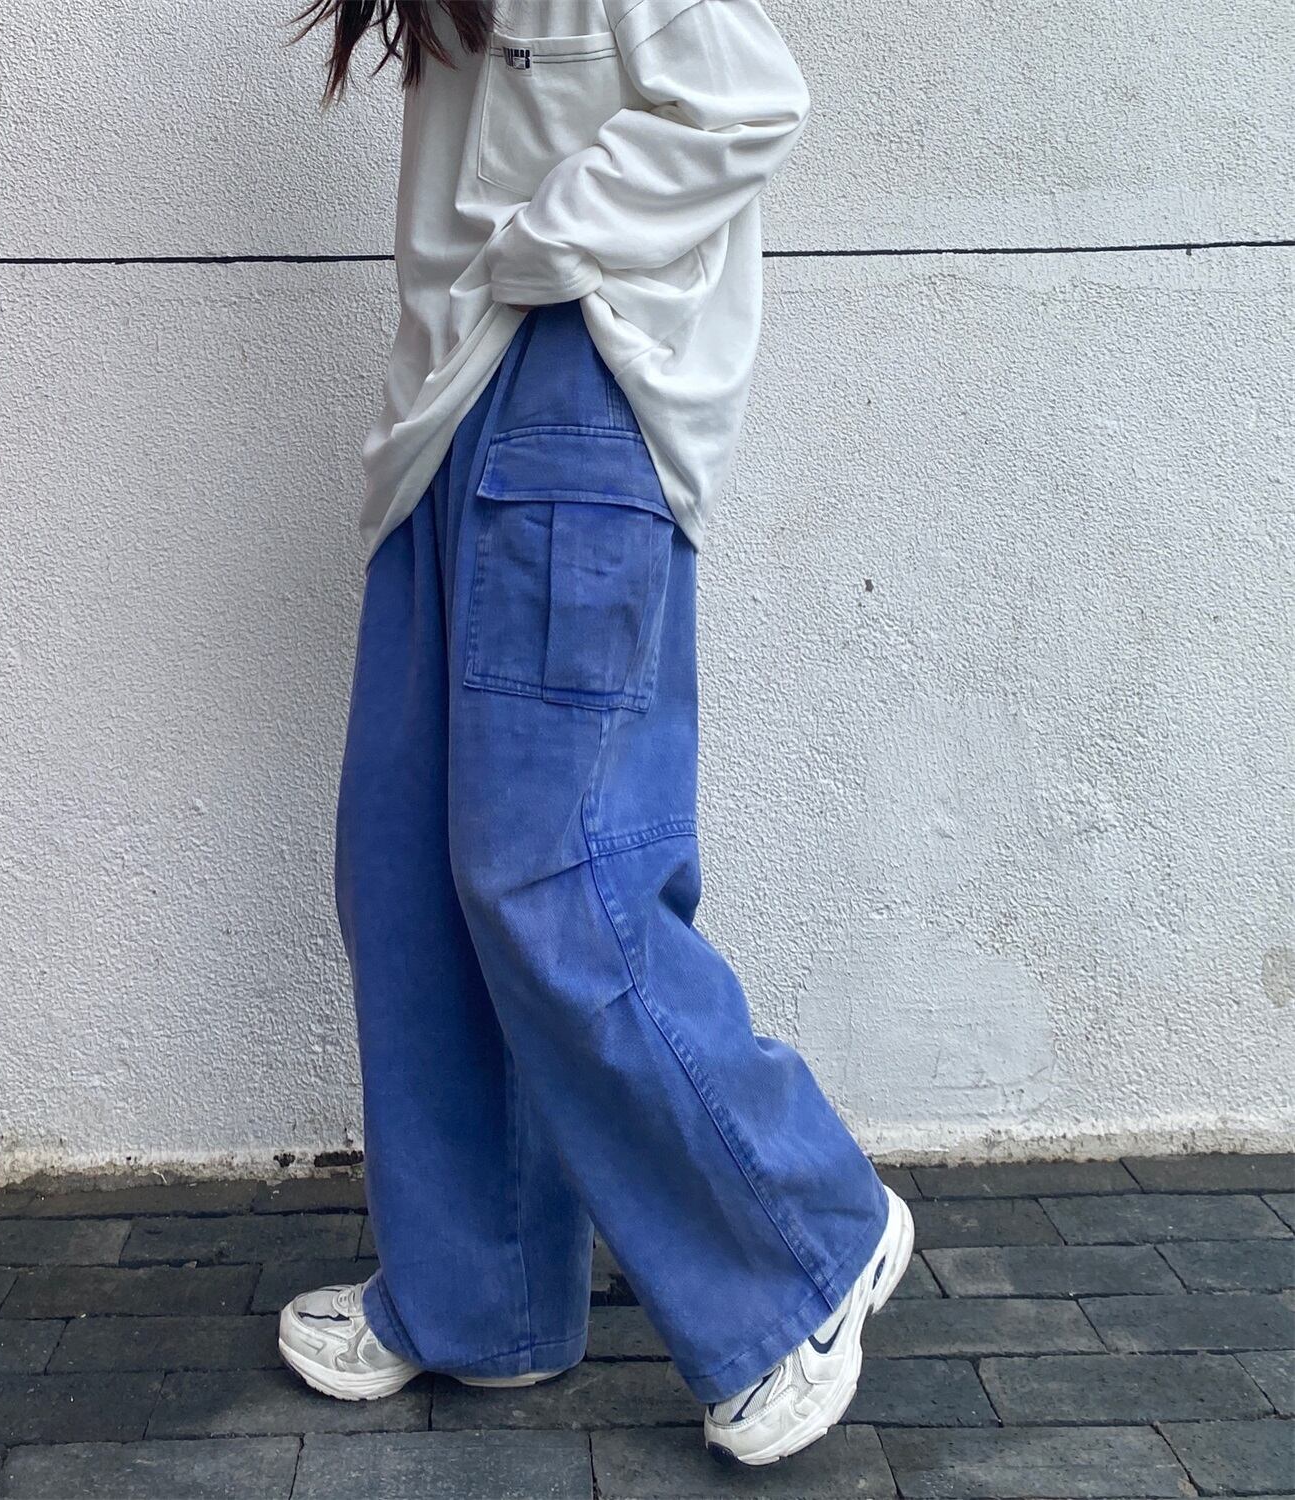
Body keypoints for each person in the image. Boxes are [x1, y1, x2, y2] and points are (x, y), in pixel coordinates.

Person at [277, 0, 913, 1467]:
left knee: (553, 872)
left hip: (576, 389)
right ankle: (481, 1300)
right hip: (446, 416)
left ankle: (807, 1242)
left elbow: (746, 99)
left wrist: (544, 243)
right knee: (407, 871)